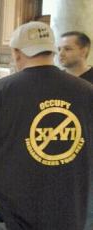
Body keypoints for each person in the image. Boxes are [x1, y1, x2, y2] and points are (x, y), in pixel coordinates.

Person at [0, 21, 93, 230]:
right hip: (69, 212)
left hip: (8, 214)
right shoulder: (86, 92)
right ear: (52, 51)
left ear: (16, 53)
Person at [58, 31, 93, 230]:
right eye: (59, 49)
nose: (61, 54)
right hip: (61, 153)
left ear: (84, 50)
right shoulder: (56, 80)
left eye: (68, 49)